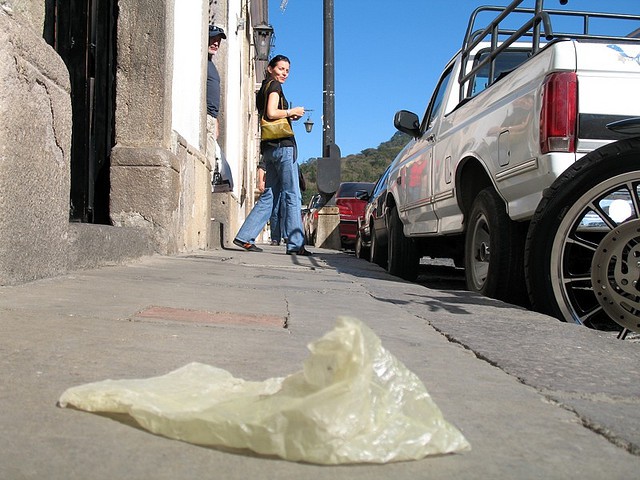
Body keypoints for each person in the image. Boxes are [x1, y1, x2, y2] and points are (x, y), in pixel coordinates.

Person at [233, 54, 311, 256]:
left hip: (268, 147)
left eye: (287, 70)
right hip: (283, 147)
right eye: (281, 68)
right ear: (270, 68)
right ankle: (295, 244)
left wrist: (286, 114)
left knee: (270, 195)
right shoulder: (275, 87)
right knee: (292, 194)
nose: (284, 73)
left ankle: (245, 236)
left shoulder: (263, 89)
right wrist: (291, 111)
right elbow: (271, 113)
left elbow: (267, 114)